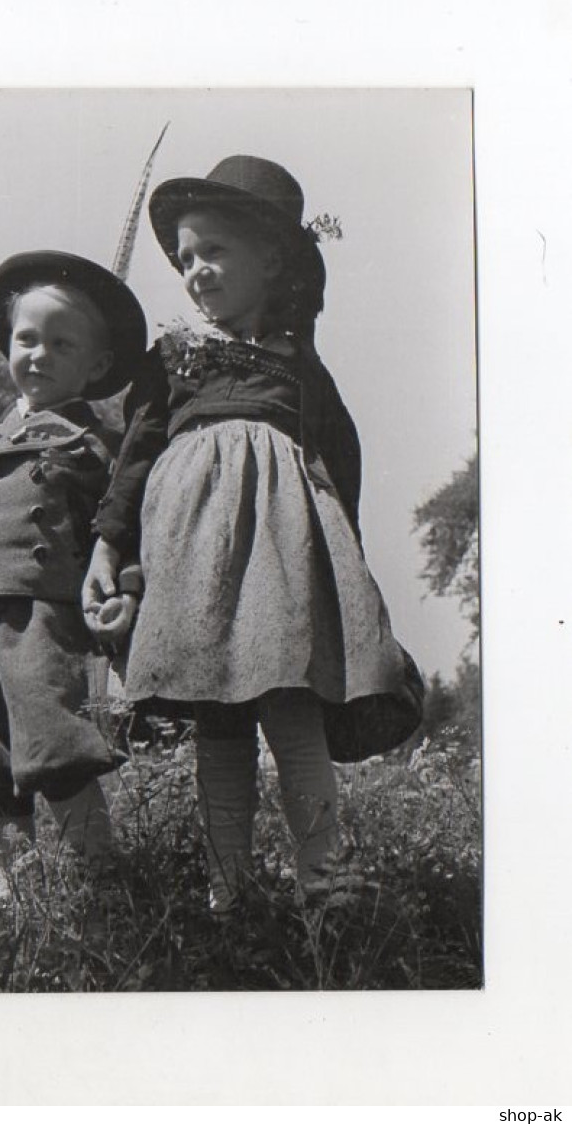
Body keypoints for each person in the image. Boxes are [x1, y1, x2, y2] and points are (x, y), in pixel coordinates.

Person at [83, 156, 423, 913]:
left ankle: (324, 877)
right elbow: (134, 456)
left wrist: (349, 580)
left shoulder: (301, 368)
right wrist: (109, 548)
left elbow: (342, 467)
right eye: (184, 259)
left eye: (214, 252)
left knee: (291, 705)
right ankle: (226, 890)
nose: (196, 271)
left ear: (271, 260)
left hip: (279, 552)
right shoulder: (173, 356)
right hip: (188, 552)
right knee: (218, 721)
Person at [0, 251, 147, 897]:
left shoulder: (97, 448)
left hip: (44, 620)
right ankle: (16, 904)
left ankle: (102, 887)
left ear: (95, 366)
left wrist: (124, 593)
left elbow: (120, 532)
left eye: (61, 344)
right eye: (26, 338)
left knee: (57, 747)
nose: (38, 355)